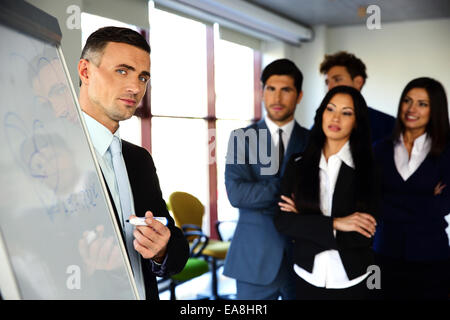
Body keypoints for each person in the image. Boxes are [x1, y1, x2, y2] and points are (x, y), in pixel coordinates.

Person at [77, 26, 189, 300]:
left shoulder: (139, 159)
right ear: (85, 71)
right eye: (122, 71)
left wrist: (162, 249)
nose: (135, 87)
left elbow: (173, 243)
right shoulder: (55, 156)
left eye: (143, 77)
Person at [274, 85, 379, 300]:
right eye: (330, 109)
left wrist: (304, 224)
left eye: (346, 113)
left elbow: (362, 236)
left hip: (354, 279)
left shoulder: (371, 169)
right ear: (321, 113)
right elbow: (283, 222)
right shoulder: (297, 164)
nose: (336, 118)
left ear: (356, 121)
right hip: (306, 276)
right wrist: (336, 223)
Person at [223, 59, 309, 300]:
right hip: (253, 259)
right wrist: (287, 188)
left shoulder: (313, 141)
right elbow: (237, 194)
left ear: (299, 95)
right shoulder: (242, 139)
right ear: (262, 92)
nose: (277, 98)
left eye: (286, 90)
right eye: (271, 89)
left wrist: (261, 193)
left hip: (303, 260)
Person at [373, 77, 450, 300]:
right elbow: (372, 201)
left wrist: (392, 200)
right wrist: (426, 199)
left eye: (422, 104)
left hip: (431, 256)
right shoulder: (380, 149)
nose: (411, 109)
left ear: (435, 109)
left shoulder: (446, 152)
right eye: (407, 100)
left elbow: (444, 205)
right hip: (382, 253)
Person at [319, 51, 395, 144]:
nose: (330, 87)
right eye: (327, 82)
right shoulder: (321, 123)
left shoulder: (388, 125)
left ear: (358, 82)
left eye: (337, 79)